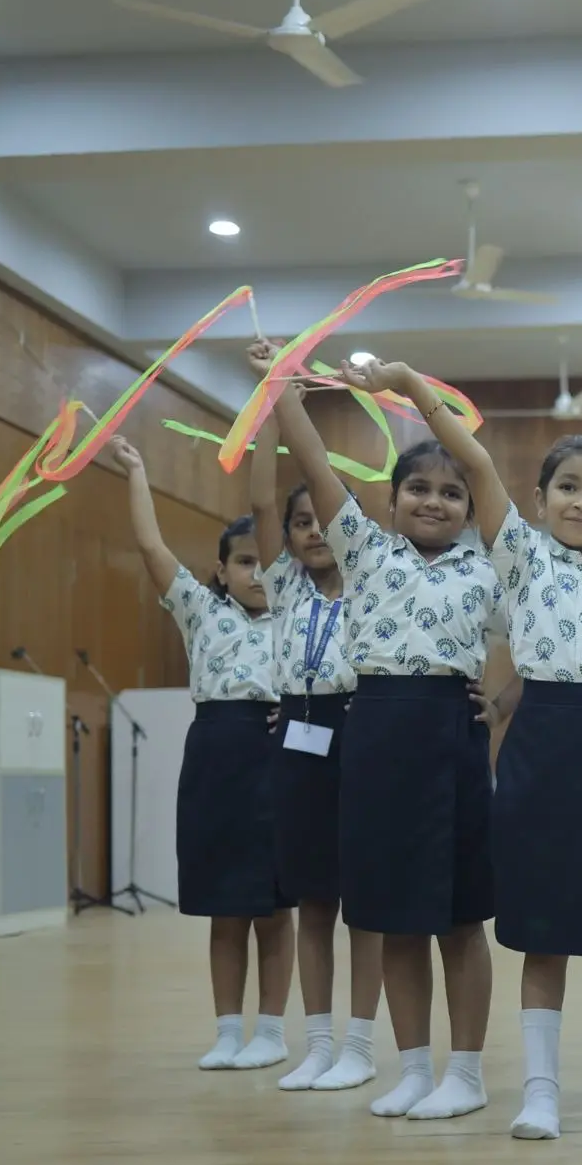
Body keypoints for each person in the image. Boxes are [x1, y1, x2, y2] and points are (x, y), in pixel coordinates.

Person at [359, 357, 582, 1143]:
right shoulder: (518, 559)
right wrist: (413, 391)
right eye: (568, 487)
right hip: (537, 757)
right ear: (538, 499)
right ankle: (540, 1092)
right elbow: (476, 460)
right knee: (539, 933)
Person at [272, 367, 502, 1119]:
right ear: (391, 500)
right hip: (374, 734)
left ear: (469, 507)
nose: (434, 501)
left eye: (451, 492)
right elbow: (312, 461)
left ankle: (464, 1071)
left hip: (453, 737)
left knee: (462, 918)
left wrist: (502, 699)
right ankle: (411, 1067)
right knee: (392, 913)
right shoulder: (364, 549)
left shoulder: (492, 564)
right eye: (418, 489)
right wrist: (284, 390)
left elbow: (543, 644)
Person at [112, 436, 292, 1071]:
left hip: (278, 758)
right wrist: (137, 471)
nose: (256, 573)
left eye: (266, 561)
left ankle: (271, 1030)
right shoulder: (199, 613)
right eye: (243, 562)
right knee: (225, 907)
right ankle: (225, 1029)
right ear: (220, 572)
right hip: (216, 756)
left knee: (273, 907)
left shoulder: (299, 615)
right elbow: (150, 547)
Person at [242, 345, 385, 1092]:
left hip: (359, 729)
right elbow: (261, 497)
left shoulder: (372, 578)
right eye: (300, 522)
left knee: (361, 897)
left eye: (321, 518)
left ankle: (361, 1044)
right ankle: (318, 1042)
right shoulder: (286, 586)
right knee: (312, 898)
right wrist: (272, 395)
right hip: (294, 735)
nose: (310, 530)